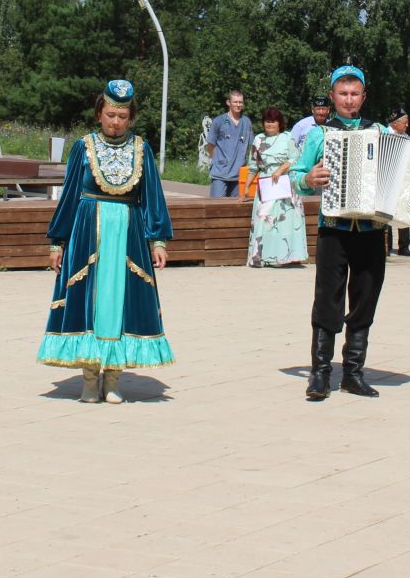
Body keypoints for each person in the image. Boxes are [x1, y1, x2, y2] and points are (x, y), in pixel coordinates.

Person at [291, 66, 410, 401]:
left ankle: (353, 374)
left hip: (372, 230)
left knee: (365, 298)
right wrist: (307, 179)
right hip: (334, 228)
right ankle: (320, 374)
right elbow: (296, 174)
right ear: (331, 97)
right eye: (342, 94)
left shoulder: (381, 130)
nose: (348, 100)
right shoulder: (319, 134)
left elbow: (406, 173)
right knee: (327, 299)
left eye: (354, 93)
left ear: (363, 96)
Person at [41, 80, 174, 403]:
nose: (116, 122)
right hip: (88, 232)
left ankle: (113, 378)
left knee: (119, 301)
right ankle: (89, 379)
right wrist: (57, 242)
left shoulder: (141, 149)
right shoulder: (83, 147)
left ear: (131, 117)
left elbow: (152, 197)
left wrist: (157, 241)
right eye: (110, 114)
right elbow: (70, 195)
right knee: (89, 301)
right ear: (99, 113)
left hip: (127, 235)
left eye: (123, 116)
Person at [247, 107, 307, 267]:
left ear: (279, 123)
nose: (270, 124)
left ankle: (284, 257)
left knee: (284, 222)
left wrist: (280, 169)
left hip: (284, 183)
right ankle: (263, 257)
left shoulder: (288, 137)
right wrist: (246, 188)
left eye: (273, 121)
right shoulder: (258, 139)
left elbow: (297, 158)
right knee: (264, 220)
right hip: (266, 184)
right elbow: (253, 166)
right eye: (267, 121)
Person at [205, 90, 253, 198]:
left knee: (234, 209)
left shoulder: (246, 122)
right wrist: (218, 160)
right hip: (220, 174)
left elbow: (251, 147)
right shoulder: (219, 121)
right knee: (216, 207)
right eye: (235, 102)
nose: (238, 105)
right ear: (228, 102)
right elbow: (210, 145)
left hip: (239, 174)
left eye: (240, 102)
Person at [385, 107, 410, 256]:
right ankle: (387, 245)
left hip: (403, 179)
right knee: (386, 212)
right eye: (405, 122)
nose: (407, 125)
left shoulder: (407, 137)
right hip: (387, 180)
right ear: (394, 123)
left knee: (403, 211)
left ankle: (404, 246)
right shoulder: (384, 134)